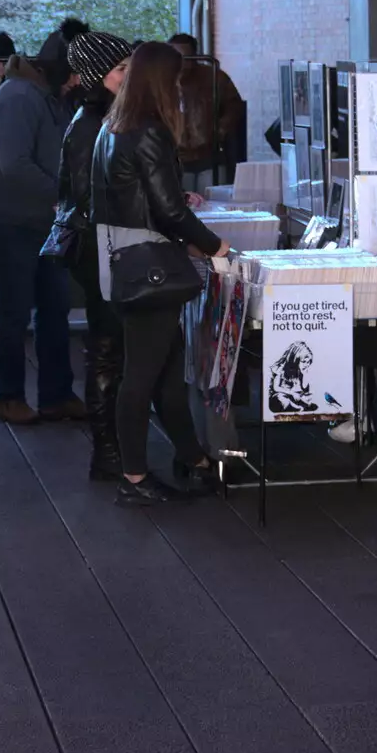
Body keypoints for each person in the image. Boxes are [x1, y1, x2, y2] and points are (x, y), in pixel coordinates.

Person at [90, 42, 229, 504]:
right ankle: (134, 477)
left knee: (164, 373)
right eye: (175, 80)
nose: (179, 89)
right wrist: (214, 245)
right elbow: (170, 211)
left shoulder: (112, 126)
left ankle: (195, 459)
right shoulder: (149, 130)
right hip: (150, 266)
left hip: (121, 260)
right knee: (144, 376)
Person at [0, 53, 80, 425]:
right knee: (14, 312)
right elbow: (15, 164)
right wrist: (60, 195)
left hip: (46, 222)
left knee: (55, 308)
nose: (78, 82)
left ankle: (56, 395)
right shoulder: (18, 96)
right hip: (12, 220)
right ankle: (9, 396)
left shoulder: (51, 97)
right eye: (75, 74)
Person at [57, 31, 133, 479]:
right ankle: (107, 453)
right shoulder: (92, 124)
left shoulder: (100, 118)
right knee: (106, 349)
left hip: (102, 244)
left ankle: (112, 450)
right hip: (97, 246)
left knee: (110, 348)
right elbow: (89, 196)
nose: (128, 77)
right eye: (120, 69)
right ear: (95, 77)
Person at [167, 33, 243, 192]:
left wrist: (221, 130)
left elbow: (234, 106)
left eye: (187, 58)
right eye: (177, 57)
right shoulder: (163, 81)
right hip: (175, 156)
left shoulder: (214, 77)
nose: (182, 63)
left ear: (195, 56)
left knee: (212, 203)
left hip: (209, 153)